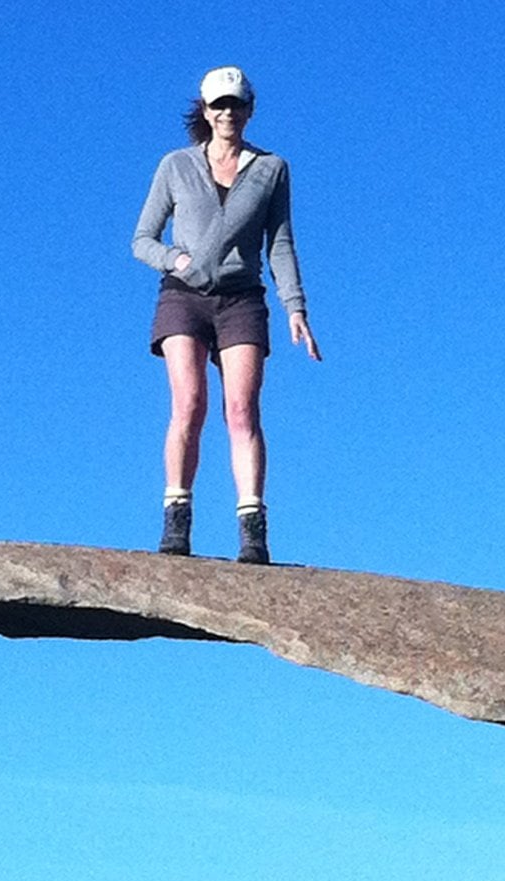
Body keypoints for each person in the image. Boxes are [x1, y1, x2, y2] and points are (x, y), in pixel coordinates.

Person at [132, 65, 321, 564]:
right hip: (183, 297)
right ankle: (177, 520)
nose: (227, 113)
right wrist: (176, 259)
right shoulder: (175, 165)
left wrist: (295, 308)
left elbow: (280, 244)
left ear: (249, 109)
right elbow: (142, 240)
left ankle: (252, 530)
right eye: (218, 105)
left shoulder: (271, 168)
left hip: (242, 300)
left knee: (241, 410)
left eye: (235, 104)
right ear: (205, 110)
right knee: (189, 404)